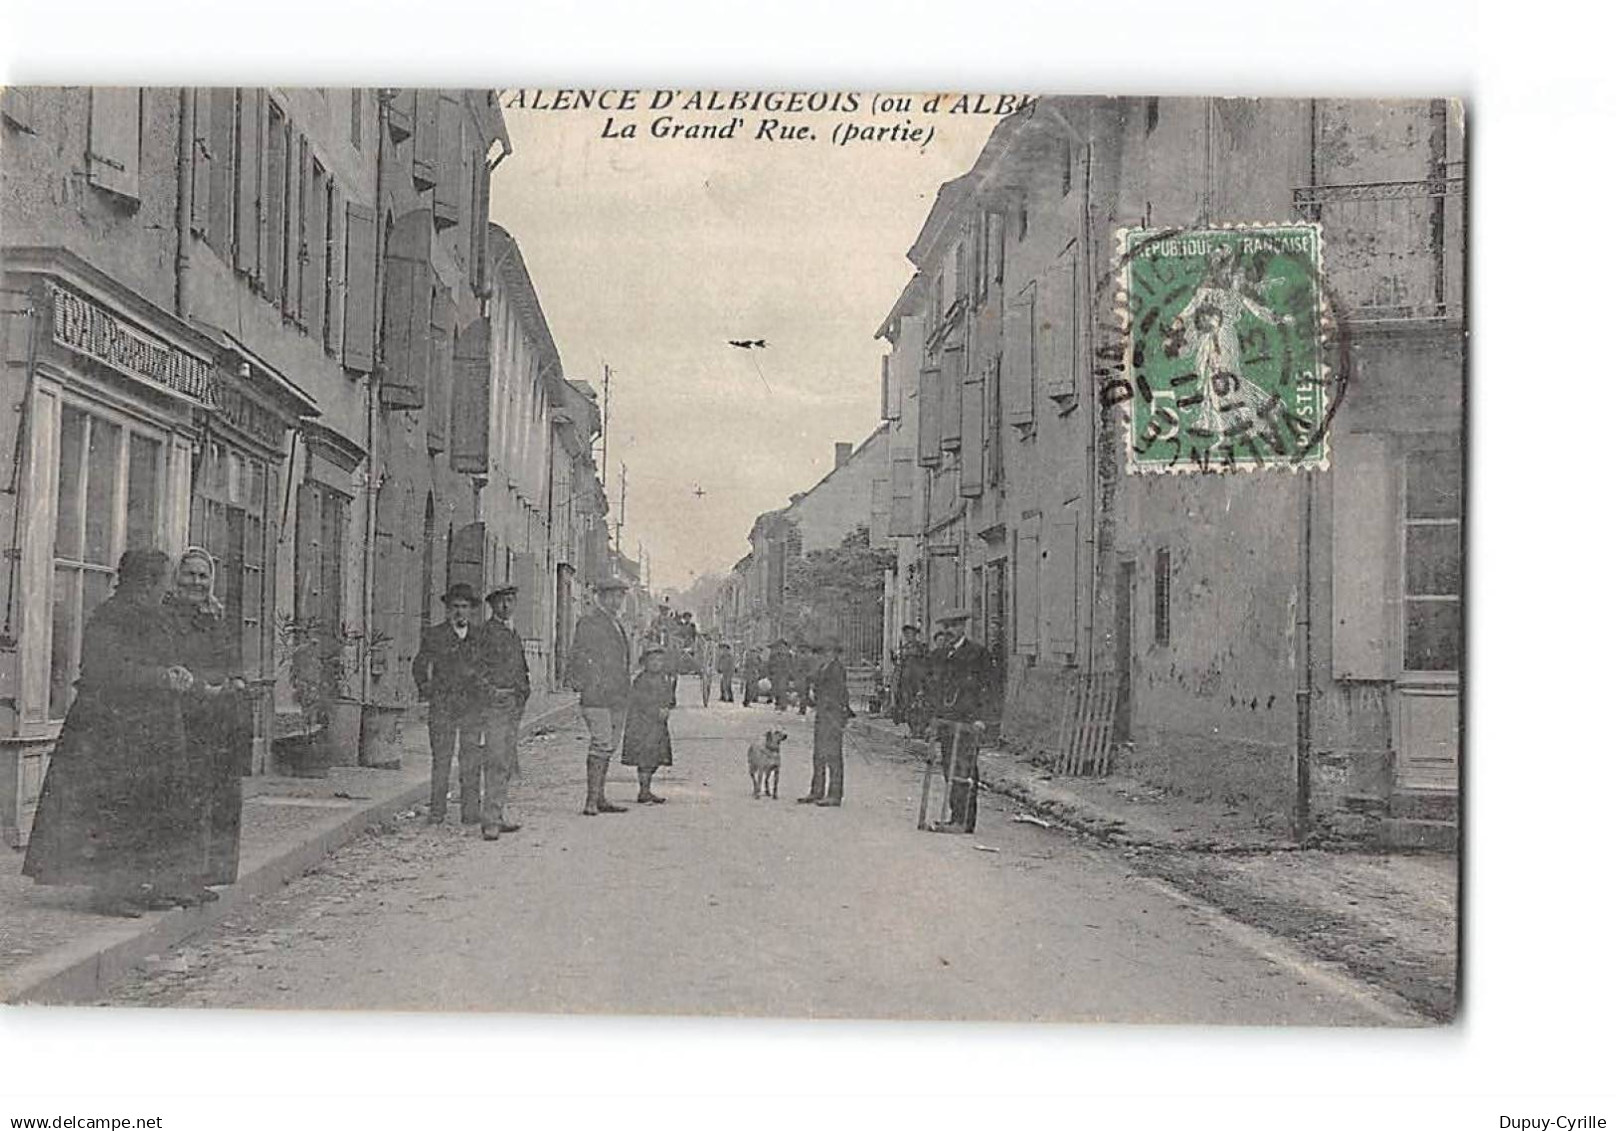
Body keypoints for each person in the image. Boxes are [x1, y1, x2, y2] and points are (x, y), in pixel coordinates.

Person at [23, 549, 198, 917]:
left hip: (148, 725)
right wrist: (160, 677)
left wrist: (175, 672)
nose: (165, 587)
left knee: (148, 807)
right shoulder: (111, 616)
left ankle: (140, 885)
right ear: (146, 581)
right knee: (116, 809)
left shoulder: (153, 616)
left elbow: (156, 661)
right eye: (163, 579)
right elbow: (105, 671)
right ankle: (110, 891)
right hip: (112, 729)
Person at [167, 547, 252, 896]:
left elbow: (231, 658)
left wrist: (235, 680)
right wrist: (203, 686)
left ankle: (208, 872)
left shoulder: (215, 618)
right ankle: (180, 876)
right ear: (177, 578)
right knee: (187, 797)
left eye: (203, 576)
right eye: (190, 574)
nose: (196, 582)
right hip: (182, 716)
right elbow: (170, 662)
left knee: (218, 796)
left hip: (218, 720)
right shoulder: (167, 617)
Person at [412, 582, 489, 826]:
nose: (459, 612)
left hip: (471, 708)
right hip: (443, 706)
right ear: (447, 609)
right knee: (441, 759)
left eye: (464, 607)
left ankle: (470, 812)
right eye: (455, 607)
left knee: (470, 759)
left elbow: (489, 668)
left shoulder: (480, 637)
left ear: (472, 610)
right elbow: (419, 666)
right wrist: (428, 690)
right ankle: (437, 811)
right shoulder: (435, 635)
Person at [566, 576, 633, 815]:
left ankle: (601, 796)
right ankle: (591, 800)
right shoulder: (590, 622)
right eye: (612, 596)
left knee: (609, 746)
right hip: (597, 695)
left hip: (617, 695)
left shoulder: (618, 624)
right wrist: (588, 682)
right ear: (601, 597)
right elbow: (579, 655)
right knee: (601, 742)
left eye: (620, 596)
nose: (616, 600)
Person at [932, 612, 995, 833]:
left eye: (953, 626)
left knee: (965, 770)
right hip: (947, 722)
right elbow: (935, 688)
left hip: (969, 722)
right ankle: (954, 816)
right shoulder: (940, 655)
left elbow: (989, 689)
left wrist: (982, 719)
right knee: (949, 769)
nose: (948, 631)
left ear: (962, 628)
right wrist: (934, 717)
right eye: (945, 626)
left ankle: (965, 821)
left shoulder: (978, 654)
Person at [477, 584, 531, 840]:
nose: (507, 606)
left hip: (512, 704)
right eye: (502, 602)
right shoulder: (486, 633)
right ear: (493, 605)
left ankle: (497, 814)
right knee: (496, 759)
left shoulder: (512, 633)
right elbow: (475, 670)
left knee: (506, 761)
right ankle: (490, 821)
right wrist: (491, 692)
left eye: (511, 601)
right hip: (495, 705)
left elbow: (521, 668)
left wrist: (522, 694)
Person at [800, 640, 852, 807]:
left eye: (829, 651)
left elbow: (841, 693)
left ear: (835, 653)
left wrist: (838, 712)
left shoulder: (837, 669)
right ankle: (816, 791)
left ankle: (834, 795)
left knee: (833, 755)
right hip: (822, 714)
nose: (826, 654)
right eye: (824, 651)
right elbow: (814, 684)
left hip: (833, 715)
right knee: (819, 754)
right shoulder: (823, 668)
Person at [622, 647, 676, 804]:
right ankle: (644, 791)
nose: (656, 664)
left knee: (655, 757)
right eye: (652, 660)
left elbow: (670, 698)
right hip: (642, 725)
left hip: (657, 726)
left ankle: (646, 788)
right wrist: (656, 710)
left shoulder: (664, 679)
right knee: (645, 758)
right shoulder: (641, 680)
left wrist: (668, 706)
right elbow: (639, 701)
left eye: (660, 661)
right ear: (645, 663)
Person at [893, 624, 928, 735]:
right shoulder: (903, 648)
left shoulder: (921, 647)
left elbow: (925, 663)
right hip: (905, 680)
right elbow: (900, 665)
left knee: (919, 704)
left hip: (917, 679)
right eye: (906, 634)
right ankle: (912, 728)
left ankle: (920, 728)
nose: (908, 636)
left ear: (915, 635)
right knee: (907, 704)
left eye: (910, 634)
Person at [767, 639, 792, 711]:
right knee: (776, 690)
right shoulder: (773, 655)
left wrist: (790, 674)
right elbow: (770, 665)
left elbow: (790, 665)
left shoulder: (788, 655)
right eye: (780, 646)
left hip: (784, 674)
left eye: (783, 646)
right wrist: (770, 674)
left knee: (782, 689)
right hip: (775, 674)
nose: (781, 648)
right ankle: (778, 704)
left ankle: (783, 705)